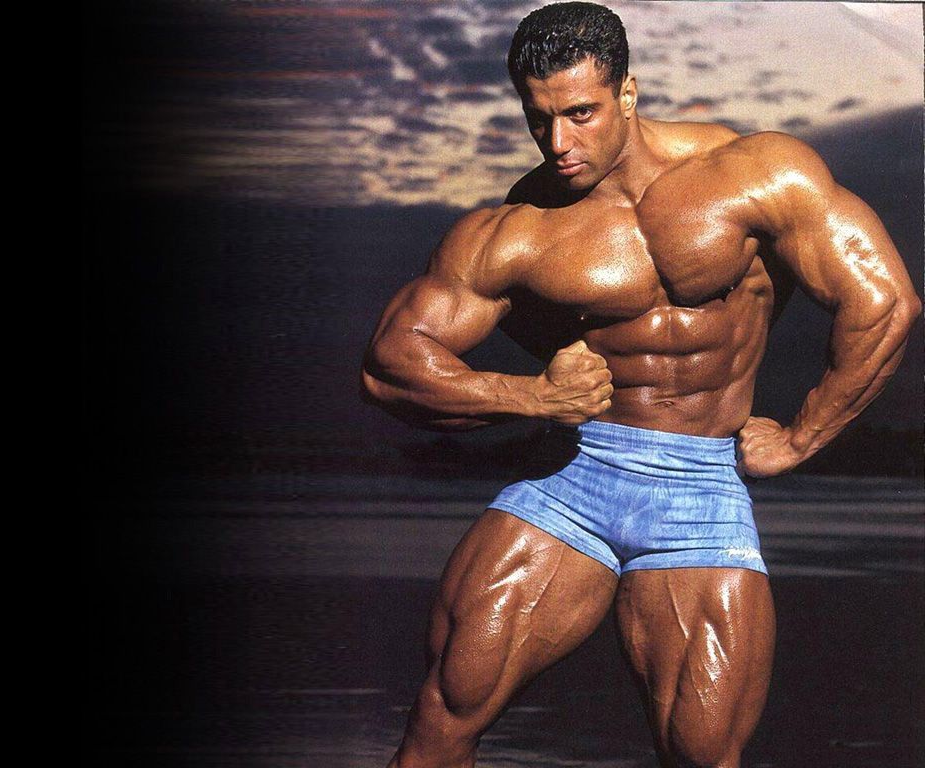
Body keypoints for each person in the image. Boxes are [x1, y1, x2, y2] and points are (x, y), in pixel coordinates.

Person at [360, 3, 920, 766]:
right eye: (539, 119)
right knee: (444, 715)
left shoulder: (758, 173)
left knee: (701, 752)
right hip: (574, 477)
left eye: (580, 114)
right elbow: (391, 363)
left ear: (628, 93)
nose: (559, 143)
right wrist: (532, 397)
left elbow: (883, 302)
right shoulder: (516, 229)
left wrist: (802, 437)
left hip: (701, 492)